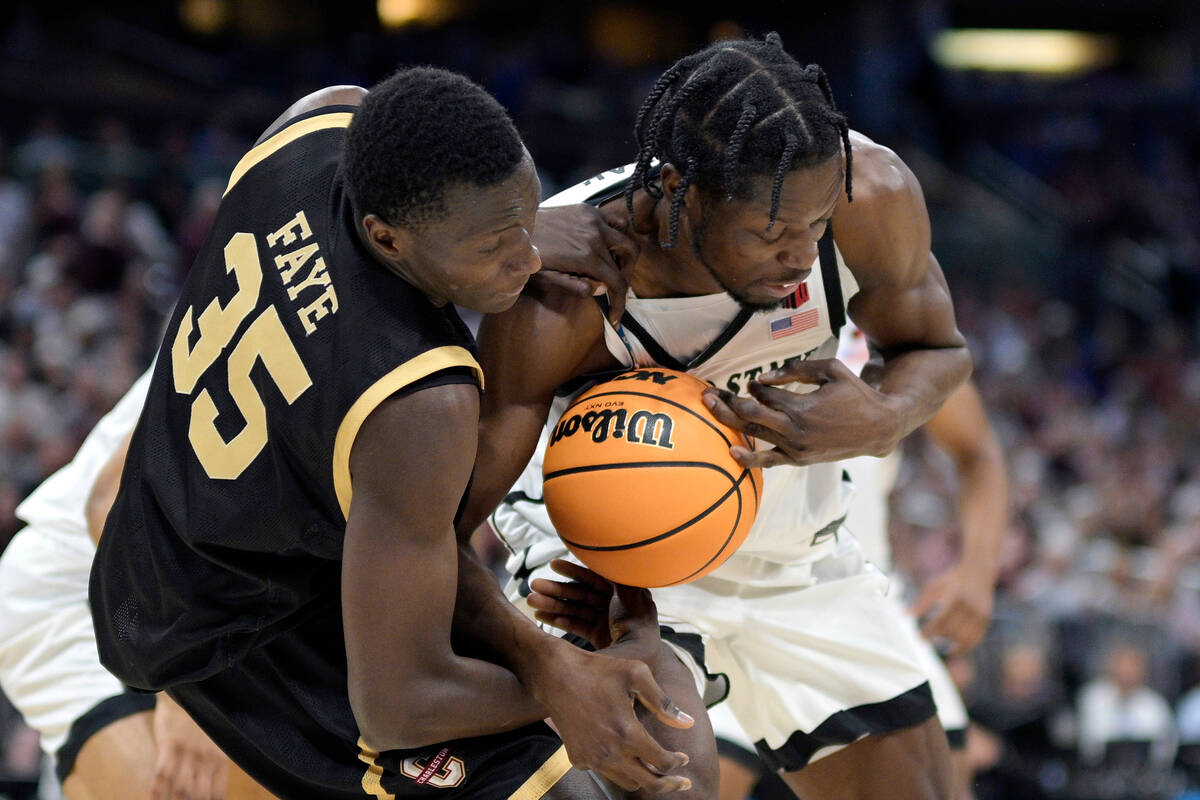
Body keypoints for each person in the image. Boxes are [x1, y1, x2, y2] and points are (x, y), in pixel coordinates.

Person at [89, 68, 700, 800]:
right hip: (224, 630)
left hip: (179, 520)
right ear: (388, 235)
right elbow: (398, 708)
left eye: (527, 220)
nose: (531, 260)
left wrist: (507, 225)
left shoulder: (316, 125)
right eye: (495, 247)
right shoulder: (416, 397)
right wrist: (563, 685)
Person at [459, 33, 973, 800]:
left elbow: (938, 350)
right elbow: (449, 515)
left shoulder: (871, 194)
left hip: (798, 552)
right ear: (680, 188)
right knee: (668, 782)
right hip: (617, 560)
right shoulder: (568, 286)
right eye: (772, 233)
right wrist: (532, 651)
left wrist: (882, 418)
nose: (802, 255)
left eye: (815, 225)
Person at [706, 326, 1010, 800]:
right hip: (709, 592)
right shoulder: (705, 312)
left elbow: (978, 453)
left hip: (850, 594)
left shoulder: (886, 324)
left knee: (947, 777)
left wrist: (977, 571)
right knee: (705, 777)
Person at [0, 369, 275, 800]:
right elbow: (113, 505)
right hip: (83, 581)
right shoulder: (342, 339)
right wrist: (190, 691)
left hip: (204, 608)